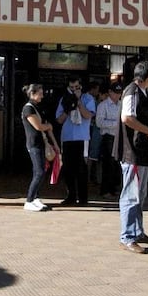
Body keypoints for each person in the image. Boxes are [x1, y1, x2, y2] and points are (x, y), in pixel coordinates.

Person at [114, 61, 148, 254]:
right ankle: (127, 236)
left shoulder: (141, 92)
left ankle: (138, 231)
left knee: (140, 193)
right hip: (131, 150)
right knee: (131, 194)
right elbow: (127, 117)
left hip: (142, 150)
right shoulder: (131, 91)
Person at [56, 77, 95, 206]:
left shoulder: (88, 99)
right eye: (71, 88)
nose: (73, 90)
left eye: (76, 88)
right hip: (67, 137)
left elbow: (88, 115)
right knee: (68, 168)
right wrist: (68, 107)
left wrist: (78, 102)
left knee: (81, 168)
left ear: (81, 87)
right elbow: (59, 120)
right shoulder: (64, 99)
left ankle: (83, 198)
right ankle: (71, 196)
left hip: (81, 137)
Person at [21, 83, 59, 211]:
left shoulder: (37, 108)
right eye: (40, 93)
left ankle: (36, 197)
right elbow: (38, 126)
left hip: (40, 143)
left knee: (40, 170)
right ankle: (29, 200)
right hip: (33, 144)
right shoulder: (28, 109)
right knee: (39, 172)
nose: (42, 96)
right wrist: (48, 127)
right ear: (33, 94)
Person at [96, 83, 122, 199]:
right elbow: (99, 123)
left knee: (117, 164)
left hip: (119, 137)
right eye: (115, 93)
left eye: (119, 93)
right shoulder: (103, 105)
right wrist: (115, 124)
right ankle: (105, 190)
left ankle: (114, 188)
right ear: (110, 92)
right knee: (108, 164)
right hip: (108, 137)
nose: (118, 96)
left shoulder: (121, 105)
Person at [86, 81, 102, 185]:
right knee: (91, 155)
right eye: (97, 89)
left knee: (90, 155)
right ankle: (88, 178)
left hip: (91, 129)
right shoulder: (91, 100)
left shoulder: (90, 99)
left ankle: (90, 177)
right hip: (91, 130)